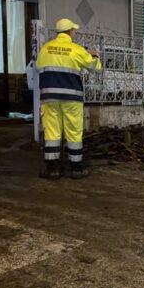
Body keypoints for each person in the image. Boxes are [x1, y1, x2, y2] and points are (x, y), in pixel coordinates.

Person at [36, 18, 101, 179]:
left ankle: (52, 169)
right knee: (73, 132)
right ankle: (76, 168)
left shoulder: (45, 48)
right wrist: (94, 56)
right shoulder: (76, 49)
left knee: (52, 132)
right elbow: (96, 68)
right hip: (71, 97)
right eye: (74, 31)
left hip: (49, 97)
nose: (74, 33)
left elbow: (38, 67)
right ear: (70, 32)